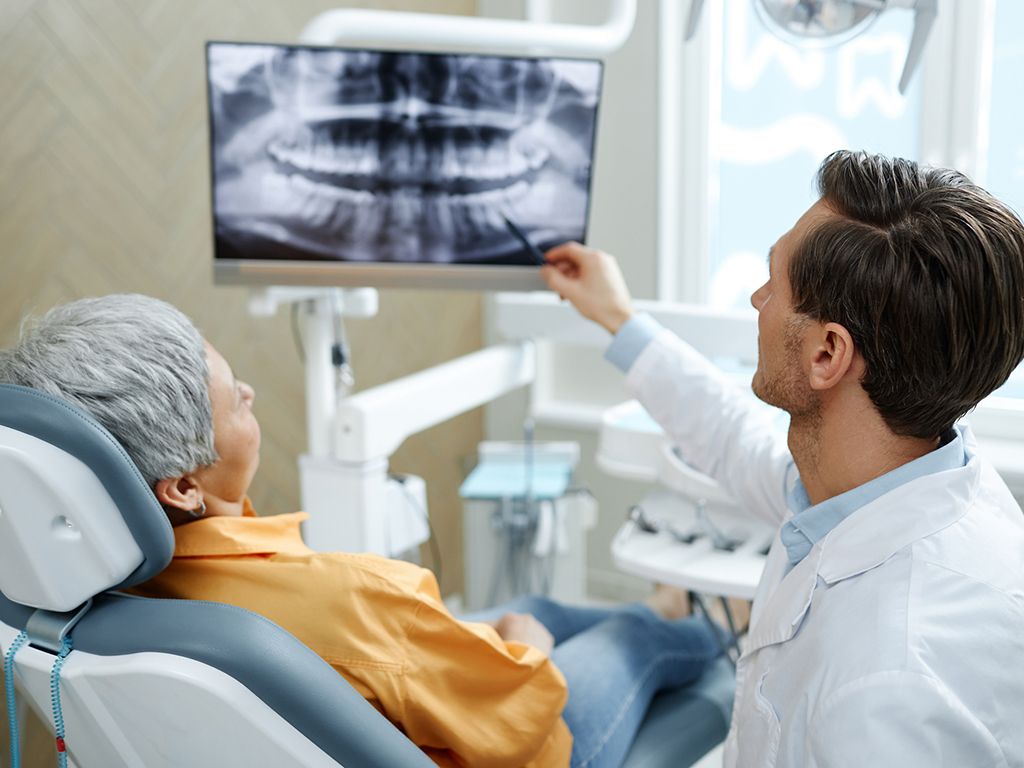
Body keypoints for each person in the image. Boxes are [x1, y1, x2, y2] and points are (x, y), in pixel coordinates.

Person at [0, 293, 722, 768]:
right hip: (532, 752)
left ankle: (653, 612)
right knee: (624, 638)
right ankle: (712, 629)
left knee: (539, 607)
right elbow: (522, 714)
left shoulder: (73, 601)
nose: (250, 392)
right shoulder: (356, 597)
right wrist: (529, 649)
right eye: (234, 400)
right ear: (183, 485)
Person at [541, 150, 1024, 767]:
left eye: (774, 281)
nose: (756, 297)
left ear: (827, 354)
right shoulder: (897, 472)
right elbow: (736, 439)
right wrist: (618, 318)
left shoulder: (889, 689)